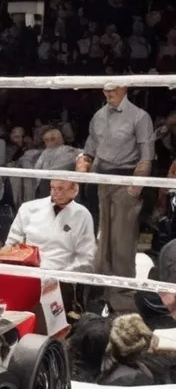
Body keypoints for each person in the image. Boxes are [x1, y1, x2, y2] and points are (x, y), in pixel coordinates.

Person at [77, 84, 154, 312]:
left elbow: (146, 156)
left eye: (113, 89)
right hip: (100, 179)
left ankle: (123, 299)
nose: (109, 93)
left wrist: (135, 188)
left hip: (126, 178)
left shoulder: (140, 117)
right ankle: (99, 293)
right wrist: (82, 166)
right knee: (101, 241)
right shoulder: (98, 116)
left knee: (122, 240)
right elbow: (89, 149)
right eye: (105, 90)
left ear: (125, 88)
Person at [5, 180, 96, 273]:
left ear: (74, 190)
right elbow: (11, 242)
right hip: (27, 271)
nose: (55, 192)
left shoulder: (82, 215)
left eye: (60, 189)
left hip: (61, 274)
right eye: (53, 188)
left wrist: (62, 278)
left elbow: (86, 258)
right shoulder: (28, 208)